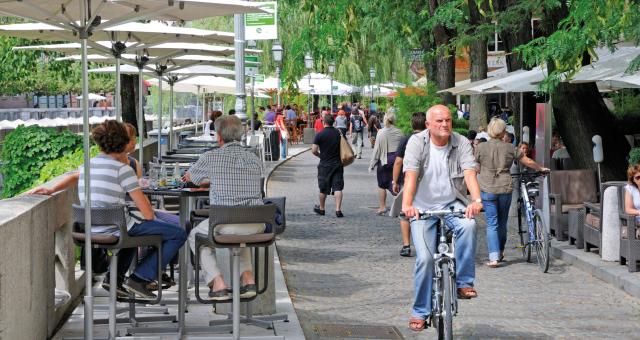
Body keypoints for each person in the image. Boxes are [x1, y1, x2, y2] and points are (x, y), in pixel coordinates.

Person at [29, 120, 187, 300]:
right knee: (178, 233)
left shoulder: (87, 166)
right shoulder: (123, 170)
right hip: (117, 229)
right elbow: (148, 214)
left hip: (89, 229)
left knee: (131, 232)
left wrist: (50, 189)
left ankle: (115, 279)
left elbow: (74, 177)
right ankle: (140, 278)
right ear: (123, 141)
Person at [402, 104, 482, 331]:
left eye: (447, 120)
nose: (445, 124)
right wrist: (407, 205)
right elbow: (410, 175)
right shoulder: (417, 142)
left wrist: (476, 201)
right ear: (428, 125)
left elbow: (469, 173)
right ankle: (420, 312)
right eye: (439, 121)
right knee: (425, 260)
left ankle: (464, 283)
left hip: (452, 202)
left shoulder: (461, 142)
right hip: (422, 207)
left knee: (469, 225)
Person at [182, 115, 264, 301]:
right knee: (239, 235)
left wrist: (207, 181)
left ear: (219, 136)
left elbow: (191, 178)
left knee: (196, 235)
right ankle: (248, 279)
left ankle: (217, 283)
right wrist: (217, 181)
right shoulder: (254, 158)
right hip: (257, 223)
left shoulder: (211, 157)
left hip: (225, 222)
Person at [475, 118, 549, 267]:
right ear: (503, 132)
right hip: (505, 187)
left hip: (488, 188)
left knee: (492, 223)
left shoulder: (481, 148)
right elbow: (527, 161)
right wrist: (540, 168)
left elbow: (475, 167)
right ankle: (501, 251)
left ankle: (494, 257)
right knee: (502, 222)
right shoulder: (509, 148)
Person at [391, 112, 426, 257]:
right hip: (428, 181)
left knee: (405, 213)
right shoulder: (430, 139)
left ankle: (406, 245)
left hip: (410, 180)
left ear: (412, 124)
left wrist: (394, 181)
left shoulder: (407, 139)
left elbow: (398, 161)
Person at [370, 112, 404, 215]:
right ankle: (401, 207)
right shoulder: (400, 132)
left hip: (384, 160)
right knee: (396, 183)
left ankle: (382, 207)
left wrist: (373, 163)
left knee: (382, 185)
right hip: (397, 159)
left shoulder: (381, 132)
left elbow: (377, 149)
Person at [311, 114, 344, 218]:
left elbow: (314, 150)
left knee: (323, 189)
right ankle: (338, 210)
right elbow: (345, 146)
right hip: (337, 164)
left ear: (323, 122)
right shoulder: (338, 133)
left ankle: (322, 209)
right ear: (333, 122)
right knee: (338, 188)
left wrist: (321, 156)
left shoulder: (319, 135)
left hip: (324, 164)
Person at [624, 164, 640, 236]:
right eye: (638, 177)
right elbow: (628, 209)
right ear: (633, 179)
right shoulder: (631, 189)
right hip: (637, 219)